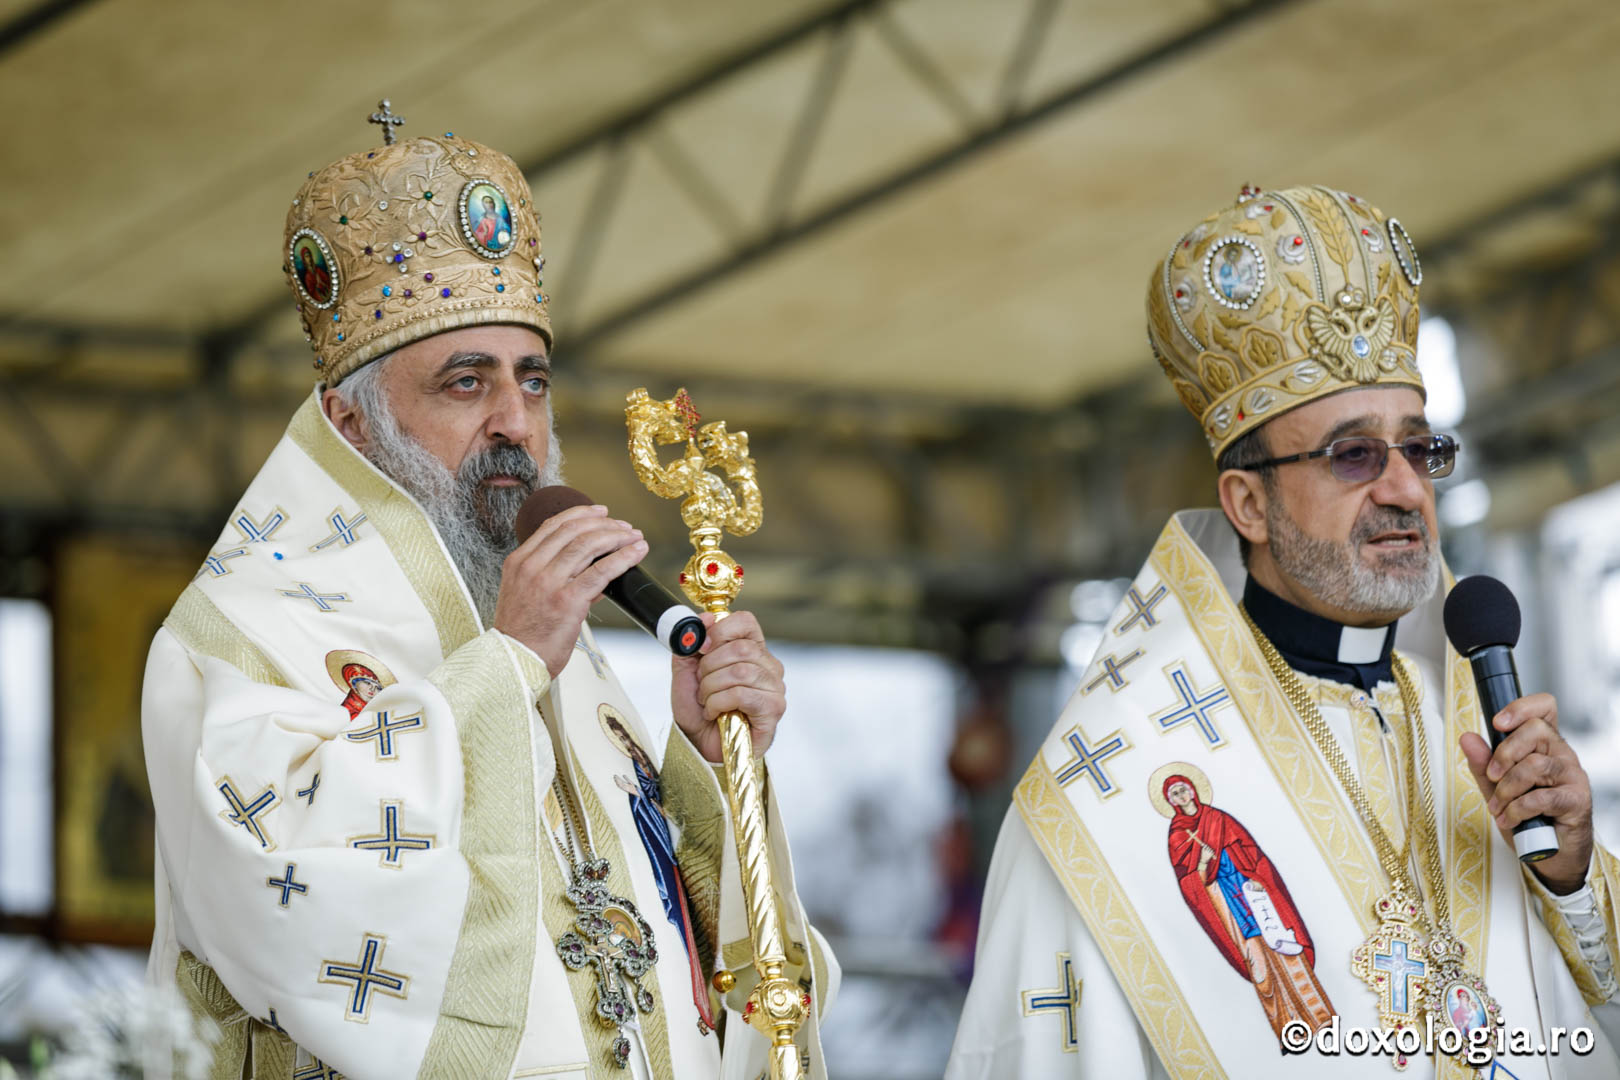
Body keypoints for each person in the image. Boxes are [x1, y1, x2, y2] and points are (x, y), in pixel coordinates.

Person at [141, 118, 837, 1080]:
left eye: (533, 379)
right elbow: (282, 898)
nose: (515, 422)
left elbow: (655, 934)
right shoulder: (246, 635)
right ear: (353, 423)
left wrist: (711, 770)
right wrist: (503, 672)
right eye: (466, 383)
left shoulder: (558, 642)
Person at [947, 185, 1620, 1079]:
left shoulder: (1471, 732)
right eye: (1353, 455)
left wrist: (1572, 881)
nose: (1405, 489)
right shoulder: (1102, 798)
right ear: (1249, 503)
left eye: (1420, 450)